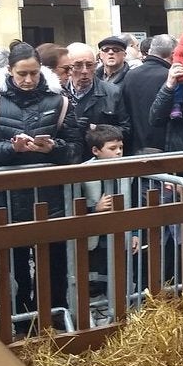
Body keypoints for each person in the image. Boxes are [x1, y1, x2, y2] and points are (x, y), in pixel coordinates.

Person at [0, 41, 82, 334]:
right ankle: (23, 321)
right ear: (9, 71)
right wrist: (12, 149)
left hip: (52, 197)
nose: (28, 80)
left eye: (33, 73)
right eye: (22, 73)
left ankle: (54, 317)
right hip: (9, 199)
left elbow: (76, 150)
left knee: (54, 264)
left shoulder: (60, 102)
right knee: (18, 267)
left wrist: (53, 149)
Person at [79, 124, 139, 297]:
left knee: (120, 274)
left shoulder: (128, 170)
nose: (118, 152)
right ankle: (98, 311)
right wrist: (94, 208)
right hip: (95, 236)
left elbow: (134, 203)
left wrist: (135, 232)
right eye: (112, 148)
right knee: (95, 277)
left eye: (121, 147)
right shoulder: (82, 172)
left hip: (120, 233)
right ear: (96, 151)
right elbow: (75, 204)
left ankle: (118, 310)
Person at [65, 42, 129, 158]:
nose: (84, 71)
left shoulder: (113, 92)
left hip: (99, 162)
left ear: (96, 65)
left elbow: (126, 129)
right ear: (68, 67)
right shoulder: (59, 93)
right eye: (78, 65)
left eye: (89, 65)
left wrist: (97, 130)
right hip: (69, 161)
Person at [120, 33, 176, 154]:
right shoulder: (170, 78)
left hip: (136, 147)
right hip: (165, 148)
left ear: (151, 50)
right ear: (173, 54)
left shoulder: (130, 75)